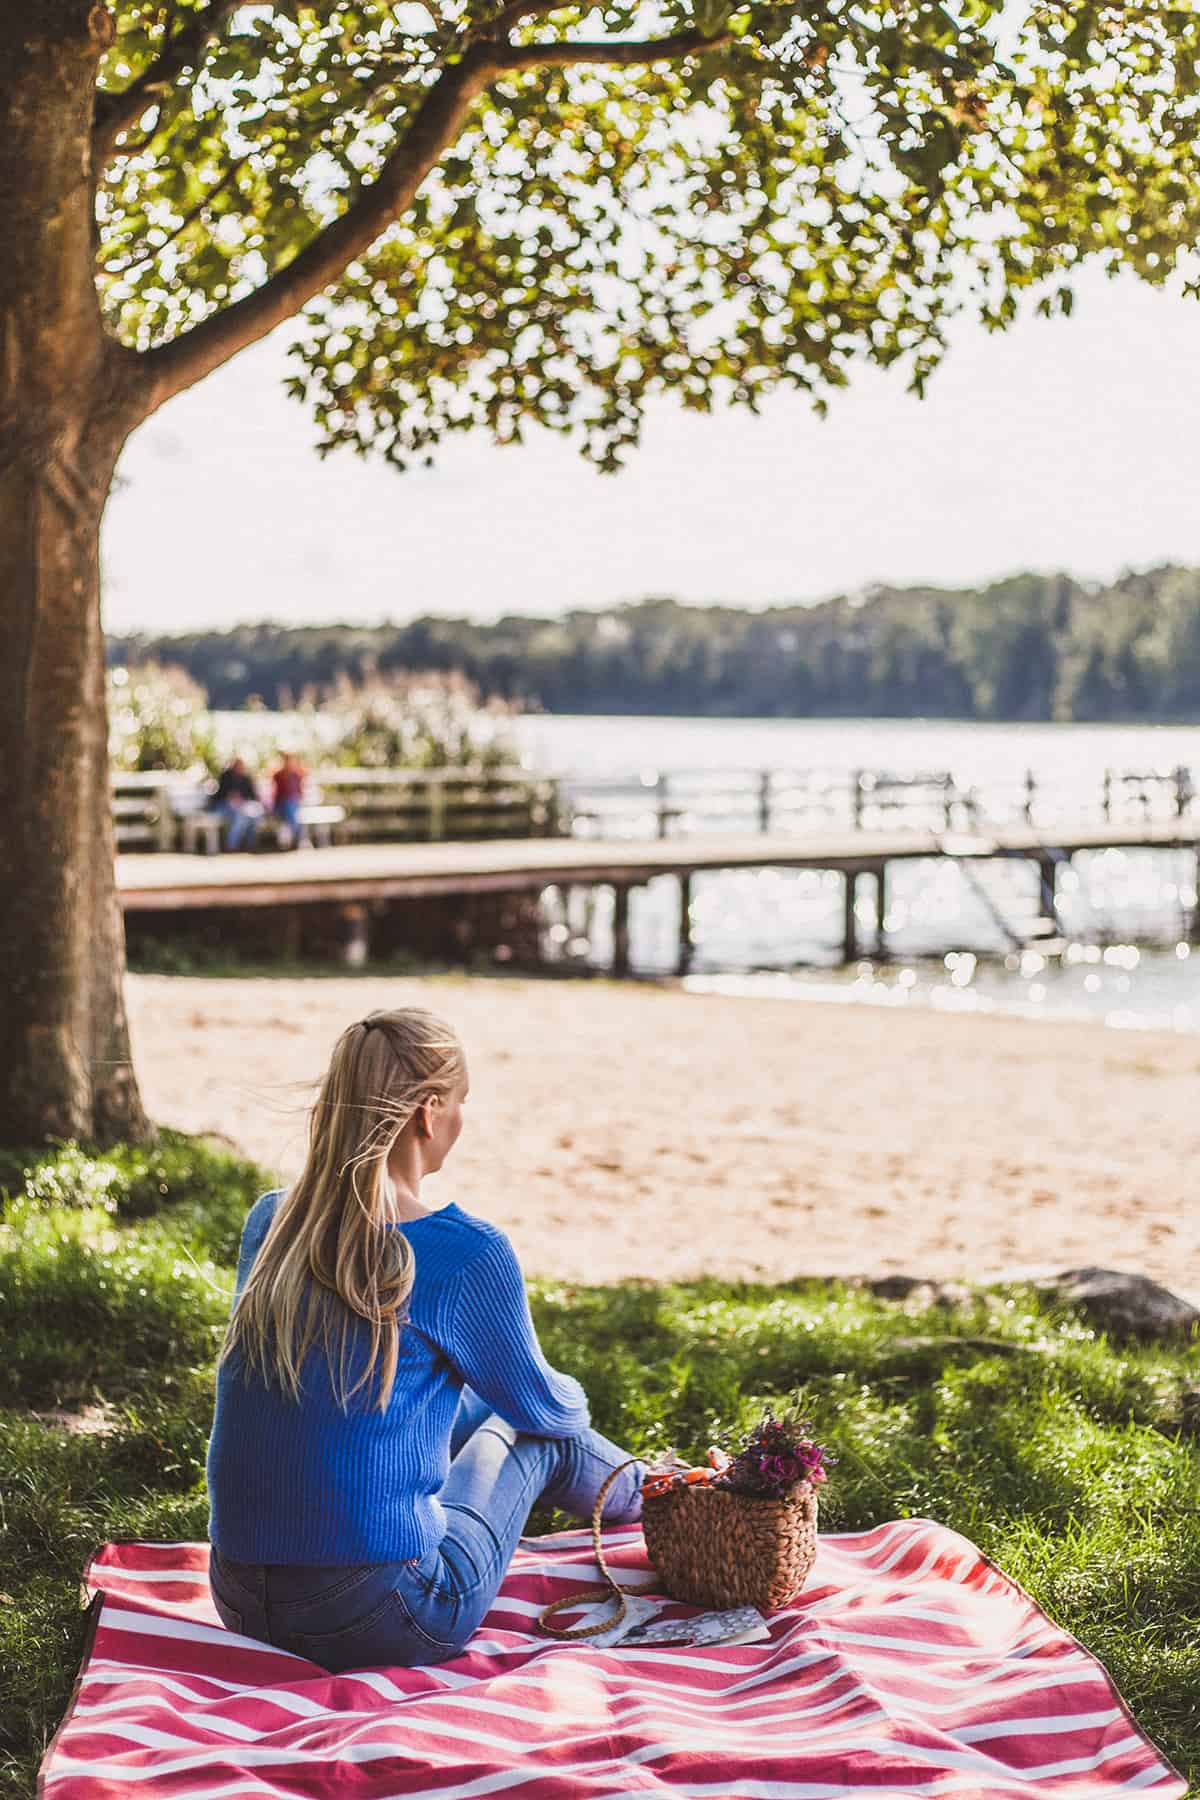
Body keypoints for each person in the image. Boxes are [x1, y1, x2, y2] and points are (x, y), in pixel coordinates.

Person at [206, 1009, 643, 1670]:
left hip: (240, 1600)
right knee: (521, 1430)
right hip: (382, 1616)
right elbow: (547, 1413)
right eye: (462, 1103)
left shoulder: (273, 1222)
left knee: (459, 1403)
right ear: (429, 1113)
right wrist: (569, 1395)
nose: (462, 1121)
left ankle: (653, 1487)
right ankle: (661, 1495)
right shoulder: (464, 1252)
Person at [209, 756, 263, 852]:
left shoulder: (245, 778)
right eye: (237, 766)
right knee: (240, 816)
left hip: (243, 806)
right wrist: (233, 797)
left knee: (255, 816)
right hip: (224, 806)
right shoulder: (226, 776)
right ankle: (231, 845)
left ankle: (250, 844)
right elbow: (221, 794)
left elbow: (252, 795)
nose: (240, 768)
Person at [270, 750, 308, 848]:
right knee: (289, 806)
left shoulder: (297, 774)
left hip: (294, 806)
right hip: (280, 806)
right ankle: (301, 839)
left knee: (292, 809)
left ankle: (297, 839)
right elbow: (277, 794)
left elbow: (300, 792)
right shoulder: (278, 774)